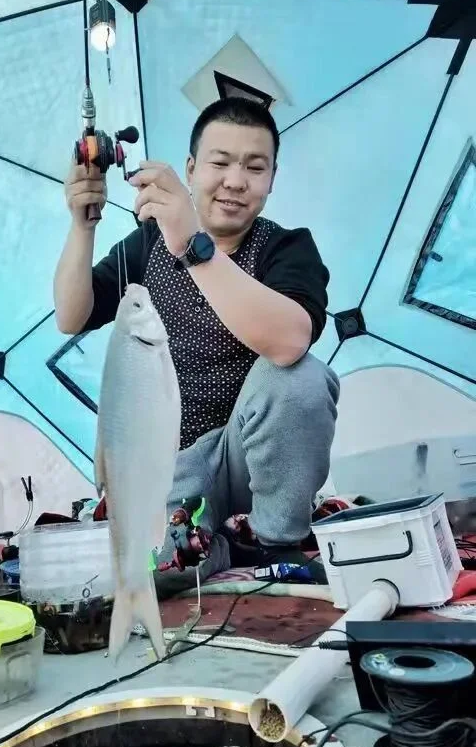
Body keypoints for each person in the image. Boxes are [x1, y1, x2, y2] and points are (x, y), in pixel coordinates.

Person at [54, 96, 340, 596]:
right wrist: (82, 226)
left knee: (300, 376)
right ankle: (221, 545)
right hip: (172, 461)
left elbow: (290, 341)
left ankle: (276, 543)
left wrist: (193, 245)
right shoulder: (148, 244)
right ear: (190, 169)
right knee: (154, 568)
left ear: (272, 178)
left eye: (255, 167)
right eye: (220, 163)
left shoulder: (286, 247)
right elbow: (71, 315)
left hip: (247, 457)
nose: (235, 181)